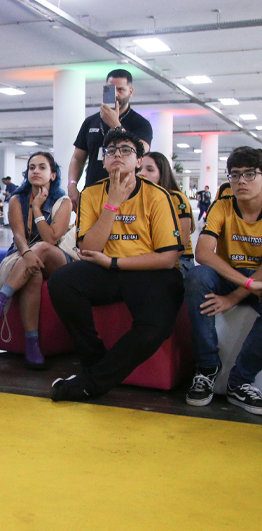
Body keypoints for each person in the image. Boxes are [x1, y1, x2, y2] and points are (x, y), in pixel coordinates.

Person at [48, 129, 184, 402]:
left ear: (138, 160)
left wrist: (115, 262)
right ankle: (95, 360)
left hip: (149, 271)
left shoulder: (158, 196)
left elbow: (168, 258)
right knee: (62, 282)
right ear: (103, 160)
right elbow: (89, 249)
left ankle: (92, 381)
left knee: (155, 326)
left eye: (125, 150)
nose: (117, 155)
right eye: (111, 151)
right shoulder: (92, 194)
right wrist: (112, 204)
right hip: (105, 269)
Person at [184, 147, 262, 413]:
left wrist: (234, 297)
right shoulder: (223, 205)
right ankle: (207, 368)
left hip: (257, 279)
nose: (241, 181)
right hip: (232, 276)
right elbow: (203, 252)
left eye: (250, 174)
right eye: (235, 175)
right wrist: (246, 285)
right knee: (197, 277)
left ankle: (240, 382)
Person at [0, 152, 73, 369]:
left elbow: (51, 238)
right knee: (34, 273)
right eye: (32, 167)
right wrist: (28, 254)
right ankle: (32, 343)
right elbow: (19, 236)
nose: (36, 171)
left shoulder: (63, 201)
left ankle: (0, 300)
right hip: (24, 257)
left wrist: (37, 209)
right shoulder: (16, 199)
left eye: (42, 167)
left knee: (41, 246)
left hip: (57, 258)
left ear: (52, 174)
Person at [67, 69, 153, 210]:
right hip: (92, 194)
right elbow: (78, 158)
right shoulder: (90, 122)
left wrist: (115, 124)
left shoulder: (140, 124)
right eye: (111, 89)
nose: (116, 94)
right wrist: (72, 184)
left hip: (127, 196)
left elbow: (140, 151)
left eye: (121, 90)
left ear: (130, 92)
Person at [140, 152, 195, 273]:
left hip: (180, 260)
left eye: (150, 170)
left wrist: (150, 263)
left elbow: (182, 245)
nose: (142, 173)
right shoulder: (136, 200)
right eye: (138, 169)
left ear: (162, 174)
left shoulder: (177, 198)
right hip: (148, 258)